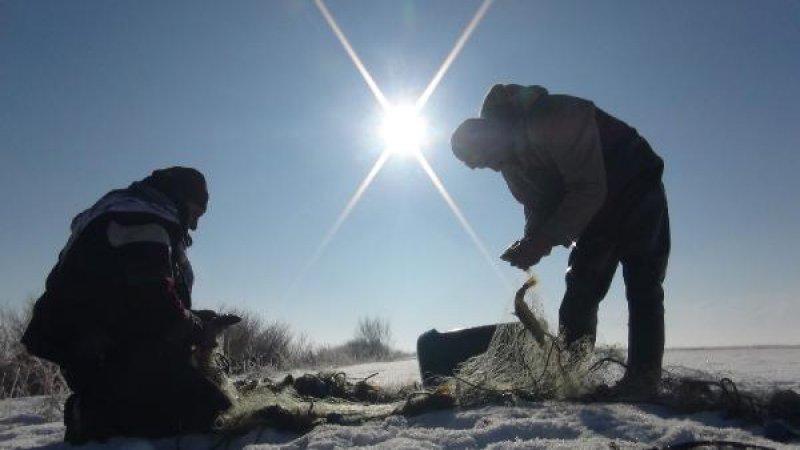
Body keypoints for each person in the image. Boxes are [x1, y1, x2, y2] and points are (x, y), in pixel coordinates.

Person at [451, 85, 670, 399]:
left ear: (490, 134)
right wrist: (529, 241)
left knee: (643, 285)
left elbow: (589, 188)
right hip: (593, 213)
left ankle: (643, 381)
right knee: (580, 292)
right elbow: (537, 205)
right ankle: (572, 378)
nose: (490, 166)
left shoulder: (554, 115)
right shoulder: (508, 164)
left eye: (484, 157)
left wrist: (543, 240)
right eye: (481, 166)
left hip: (636, 185)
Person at [21, 167, 232, 442]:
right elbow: (154, 305)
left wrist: (197, 319)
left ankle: (108, 405)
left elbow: (140, 299)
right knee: (210, 409)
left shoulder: (131, 210)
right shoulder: (143, 220)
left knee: (207, 400)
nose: (194, 226)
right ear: (180, 198)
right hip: (100, 351)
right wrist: (198, 327)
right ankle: (96, 414)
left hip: (104, 344)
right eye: (195, 214)